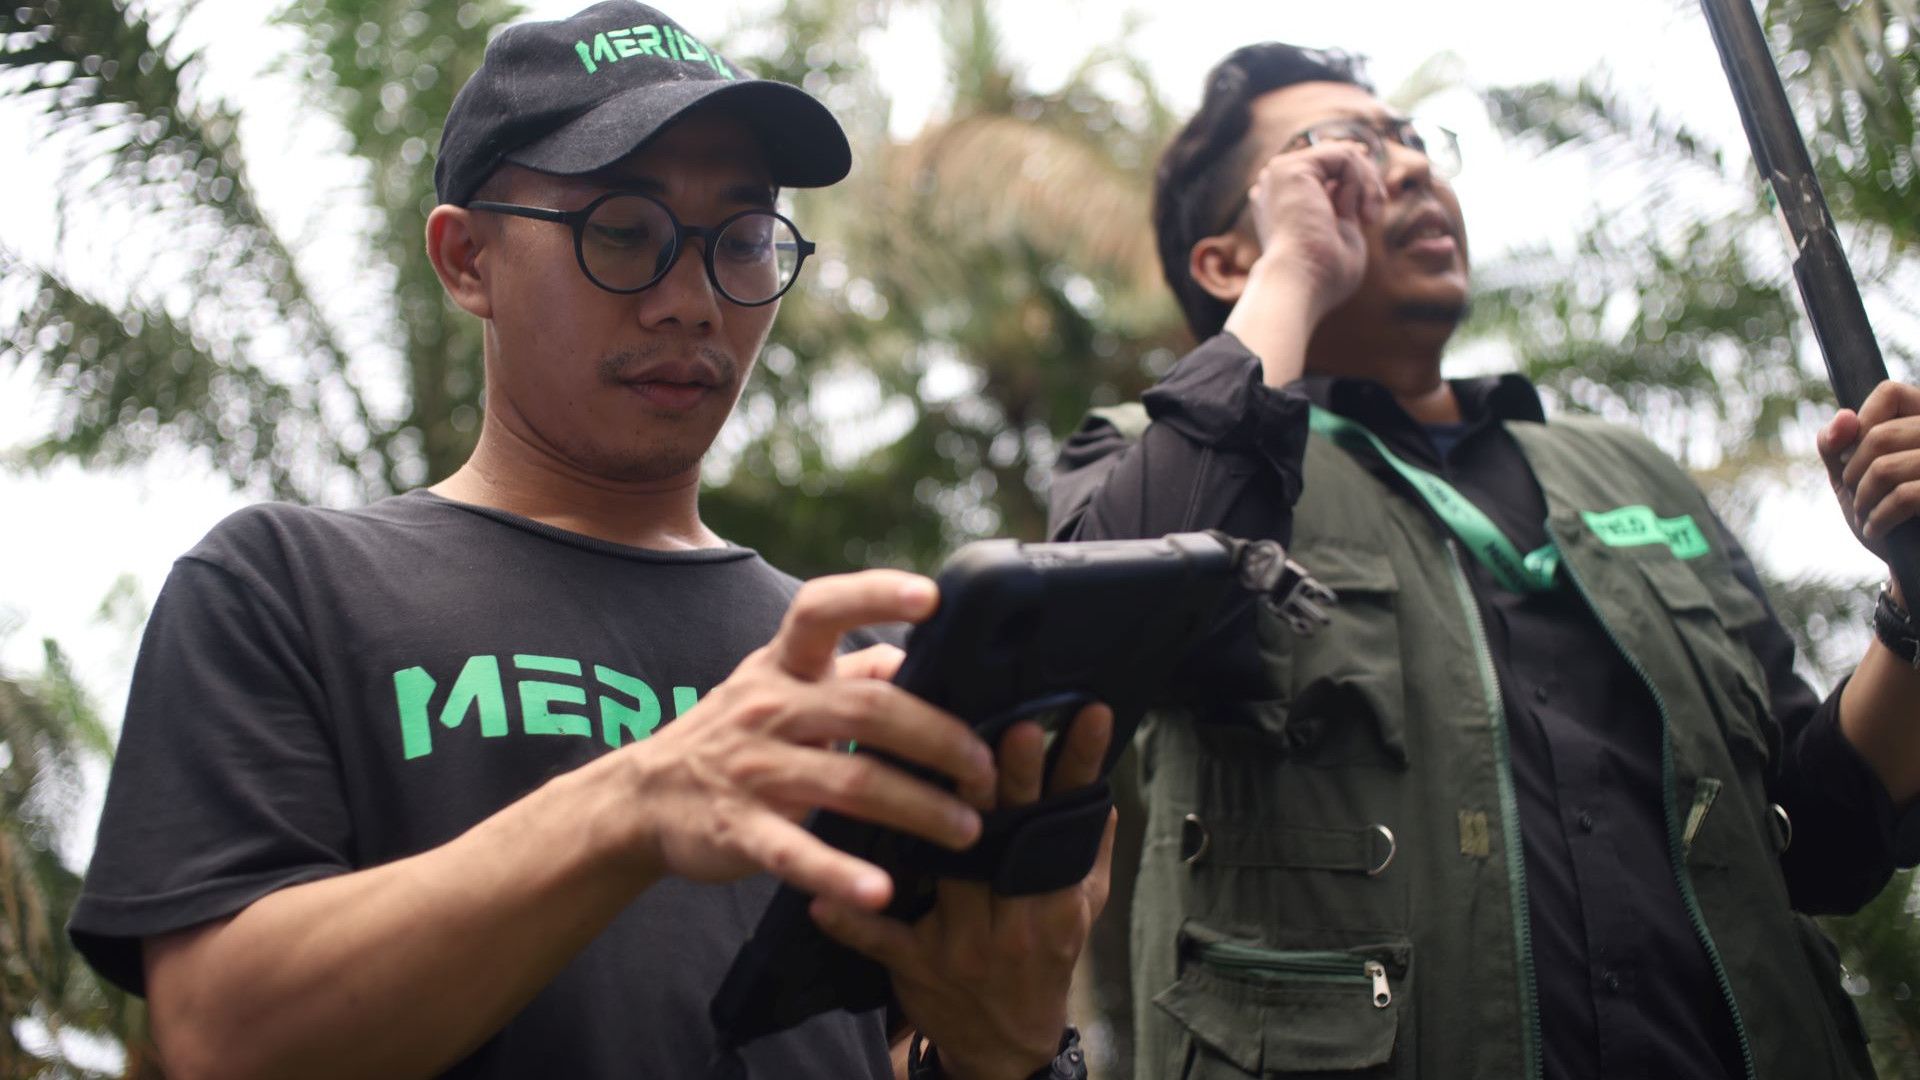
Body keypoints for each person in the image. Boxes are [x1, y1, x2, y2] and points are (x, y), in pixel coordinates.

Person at [67, 4, 1109, 1078]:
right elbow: (221, 1035)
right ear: (467, 258)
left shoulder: (859, 666)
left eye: (743, 241)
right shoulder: (287, 588)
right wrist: (641, 797)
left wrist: (1012, 1047)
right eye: (623, 229)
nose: (692, 301)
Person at [1049, 43, 1920, 1080]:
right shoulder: (1152, 464)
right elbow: (1095, 663)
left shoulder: (1629, 470)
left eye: (1416, 141)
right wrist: (1294, 273)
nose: (1409, 166)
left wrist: (1913, 610)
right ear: (1227, 259)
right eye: (1342, 149)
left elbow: (1825, 840)